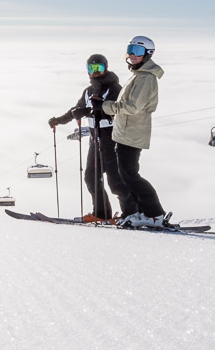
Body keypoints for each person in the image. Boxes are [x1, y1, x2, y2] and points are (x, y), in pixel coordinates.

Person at [102, 34, 169, 228]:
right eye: (130, 49)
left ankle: (155, 214)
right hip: (125, 131)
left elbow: (132, 107)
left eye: (137, 51)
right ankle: (143, 213)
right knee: (126, 175)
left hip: (133, 132)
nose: (132, 55)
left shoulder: (146, 78)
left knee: (130, 175)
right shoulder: (138, 75)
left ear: (148, 54)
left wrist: (106, 107)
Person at [49, 54, 122, 222]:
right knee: (91, 178)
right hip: (95, 139)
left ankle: (132, 214)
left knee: (116, 181)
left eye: (99, 68)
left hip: (112, 139)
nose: (95, 72)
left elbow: (116, 111)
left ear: (106, 68)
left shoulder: (115, 89)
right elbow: (77, 109)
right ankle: (101, 214)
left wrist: (88, 112)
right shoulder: (89, 91)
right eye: (92, 68)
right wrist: (59, 120)